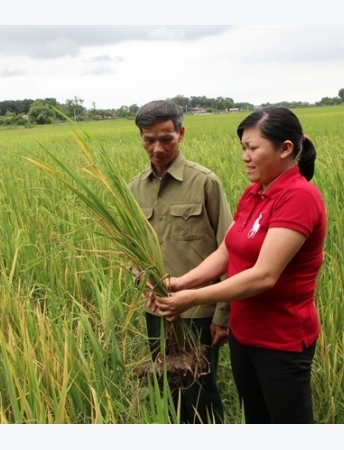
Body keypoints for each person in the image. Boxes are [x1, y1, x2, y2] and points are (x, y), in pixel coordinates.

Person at [148, 106, 326, 424]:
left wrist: (189, 299)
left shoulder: (299, 197)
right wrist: (180, 282)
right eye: (243, 147)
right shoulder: (254, 193)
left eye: (253, 148)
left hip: (281, 340)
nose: (245, 156)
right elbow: (225, 252)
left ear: (286, 149)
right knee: (256, 421)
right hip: (245, 336)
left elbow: (264, 275)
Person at [128, 100, 233, 424]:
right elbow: (130, 250)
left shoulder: (205, 182)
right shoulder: (134, 189)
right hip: (156, 311)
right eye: (149, 139)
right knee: (165, 389)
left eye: (166, 139)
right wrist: (139, 279)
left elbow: (230, 249)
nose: (157, 148)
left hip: (199, 313)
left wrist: (221, 315)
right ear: (141, 138)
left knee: (200, 390)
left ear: (181, 134)